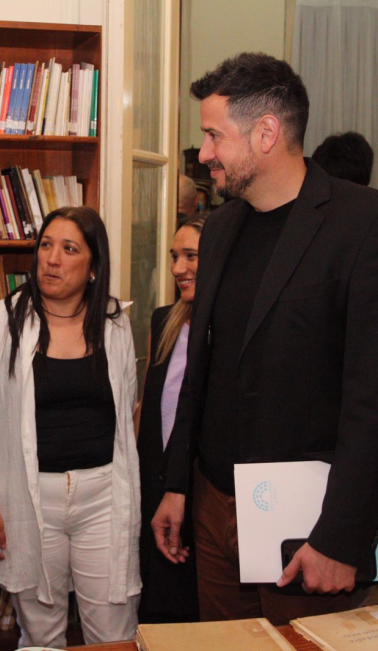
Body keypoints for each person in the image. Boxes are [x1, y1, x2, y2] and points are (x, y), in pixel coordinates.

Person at [151, 52, 378, 625]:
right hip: (213, 509)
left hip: (308, 530)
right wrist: (178, 486)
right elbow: (204, 369)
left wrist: (341, 539)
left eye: (213, 136)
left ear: (266, 132)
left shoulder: (373, 225)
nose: (204, 154)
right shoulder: (220, 229)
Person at [0, 207, 140, 647]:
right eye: (46, 245)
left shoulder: (116, 323)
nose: (52, 259)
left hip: (103, 497)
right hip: (28, 498)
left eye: (69, 249)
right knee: (41, 634)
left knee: (113, 633)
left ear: (94, 267)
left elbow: (126, 416)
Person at [136, 215, 205, 624]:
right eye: (175, 257)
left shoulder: (228, 329)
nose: (179, 268)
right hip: (155, 482)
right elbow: (148, 406)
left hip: (199, 494)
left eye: (191, 256)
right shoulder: (164, 320)